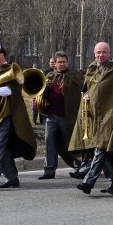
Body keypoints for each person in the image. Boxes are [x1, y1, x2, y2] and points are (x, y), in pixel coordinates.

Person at [68, 42, 113, 195]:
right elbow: (88, 88)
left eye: (104, 52)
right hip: (95, 116)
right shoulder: (92, 71)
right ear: (94, 54)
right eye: (98, 52)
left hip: (110, 116)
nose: (100, 55)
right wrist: (87, 94)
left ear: (109, 54)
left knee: (100, 148)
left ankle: (88, 182)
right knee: (106, 152)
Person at [0, 41, 37, 189]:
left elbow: (11, 91)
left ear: (1, 55)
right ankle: (12, 178)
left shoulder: (11, 70)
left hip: (7, 115)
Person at [36, 51, 85, 179]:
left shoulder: (75, 75)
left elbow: (83, 86)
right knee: (49, 142)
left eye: (64, 62)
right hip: (51, 115)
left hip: (67, 116)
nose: (62, 64)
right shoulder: (50, 76)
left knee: (71, 141)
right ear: (55, 63)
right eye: (59, 62)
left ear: (67, 63)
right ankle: (49, 170)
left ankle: (79, 167)